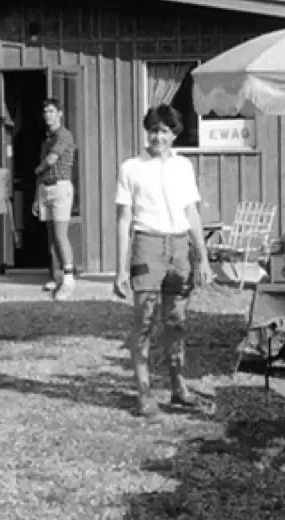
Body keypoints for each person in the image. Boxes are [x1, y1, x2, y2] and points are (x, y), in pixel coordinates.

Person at [114, 103, 213, 418]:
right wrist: (120, 269)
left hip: (179, 247)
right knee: (143, 321)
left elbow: (191, 212)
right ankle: (143, 393)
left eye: (166, 131)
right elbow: (123, 218)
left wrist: (203, 258)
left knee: (176, 321)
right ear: (147, 131)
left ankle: (178, 387)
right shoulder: (131, 168)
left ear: (174, 134)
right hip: (147, 245)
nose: (159, 137)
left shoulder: (183, 166)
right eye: (155, 130)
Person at [32, 97, 77, 300]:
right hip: (46, 188)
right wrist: (36, 197)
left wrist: (37, 168)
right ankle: (57, 276)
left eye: (51, 111)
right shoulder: (46, 139)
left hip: (60, 186)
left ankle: (69, 278)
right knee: (52, 236)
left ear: (59, 113)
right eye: (45, 112)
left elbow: (51, 160)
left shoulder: (64, 135)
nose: (47, 115)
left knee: (60, 235)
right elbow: (41, 174)